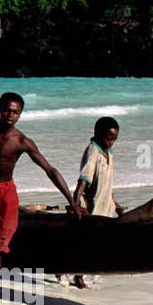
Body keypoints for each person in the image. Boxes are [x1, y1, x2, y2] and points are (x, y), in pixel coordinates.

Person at [0, 92, 85, 304]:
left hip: (6, 194)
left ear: (20, 115)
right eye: (6, 110)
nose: (10, 115)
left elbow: (50, 170)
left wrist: (73, 202)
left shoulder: (22, 141)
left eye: (15, 112)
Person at [64, 116, 127, 289]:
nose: (111, 142)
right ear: (98, 134)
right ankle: (78, 276)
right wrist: (76, 205)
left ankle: (72, 269)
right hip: (94, 209)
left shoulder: (109, 152)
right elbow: (83, 181)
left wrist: (116, 204)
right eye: (109, 138)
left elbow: (108, 183)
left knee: (96, 242)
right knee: (88, 244)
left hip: (106, 206)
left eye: (114, 139)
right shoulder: (93, 152)